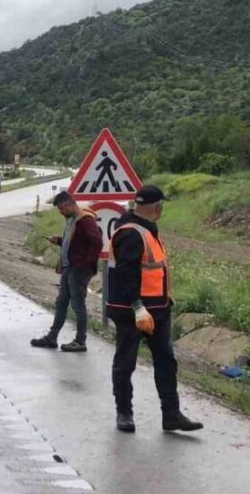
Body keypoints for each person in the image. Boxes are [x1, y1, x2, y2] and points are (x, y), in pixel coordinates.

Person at [107, 185, 202, 433]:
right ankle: (124, 413)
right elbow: (125, 274)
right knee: (125, 362)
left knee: (166, 362)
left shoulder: (147, 229)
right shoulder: (131, 233)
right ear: (158, 207)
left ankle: (171, 415)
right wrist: (138, 307)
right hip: (133, 312)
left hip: (158, 309)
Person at [30, 190, 102, 352]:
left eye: (62, 208)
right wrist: (59, 241)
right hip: (69, 267)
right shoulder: (72, 220)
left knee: (78, 304)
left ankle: (80, 341)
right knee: (61, 302)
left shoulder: (85, 220)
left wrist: (85, 264)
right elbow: (76, 243)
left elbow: (96, 242)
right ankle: (52, 337)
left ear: (69, 205)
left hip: (78, 269)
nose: (61, 212)